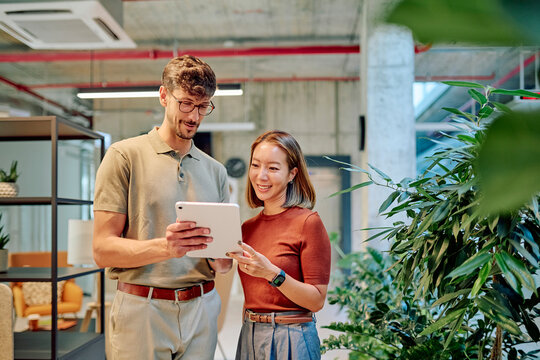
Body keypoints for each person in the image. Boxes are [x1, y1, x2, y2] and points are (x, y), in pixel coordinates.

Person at [92, 55, 232, 360]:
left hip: (202, 307)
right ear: (163, 95)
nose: (194, 116)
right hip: (143, 309)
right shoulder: (123, 156)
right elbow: (102, 250)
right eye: (185, 103)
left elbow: (221, 263)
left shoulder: (215, 171)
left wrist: (225, 258)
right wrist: (166, 248)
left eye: (203, 106)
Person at [227, 130, 331, 360]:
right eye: (255, 165)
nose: (261, 176)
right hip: (250, 334)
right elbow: (253, 296)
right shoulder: (247, 228)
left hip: (292, 336)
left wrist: (273, 273)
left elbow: (316, 300)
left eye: (273, 168)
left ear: (292, 174)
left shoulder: (308, 222)